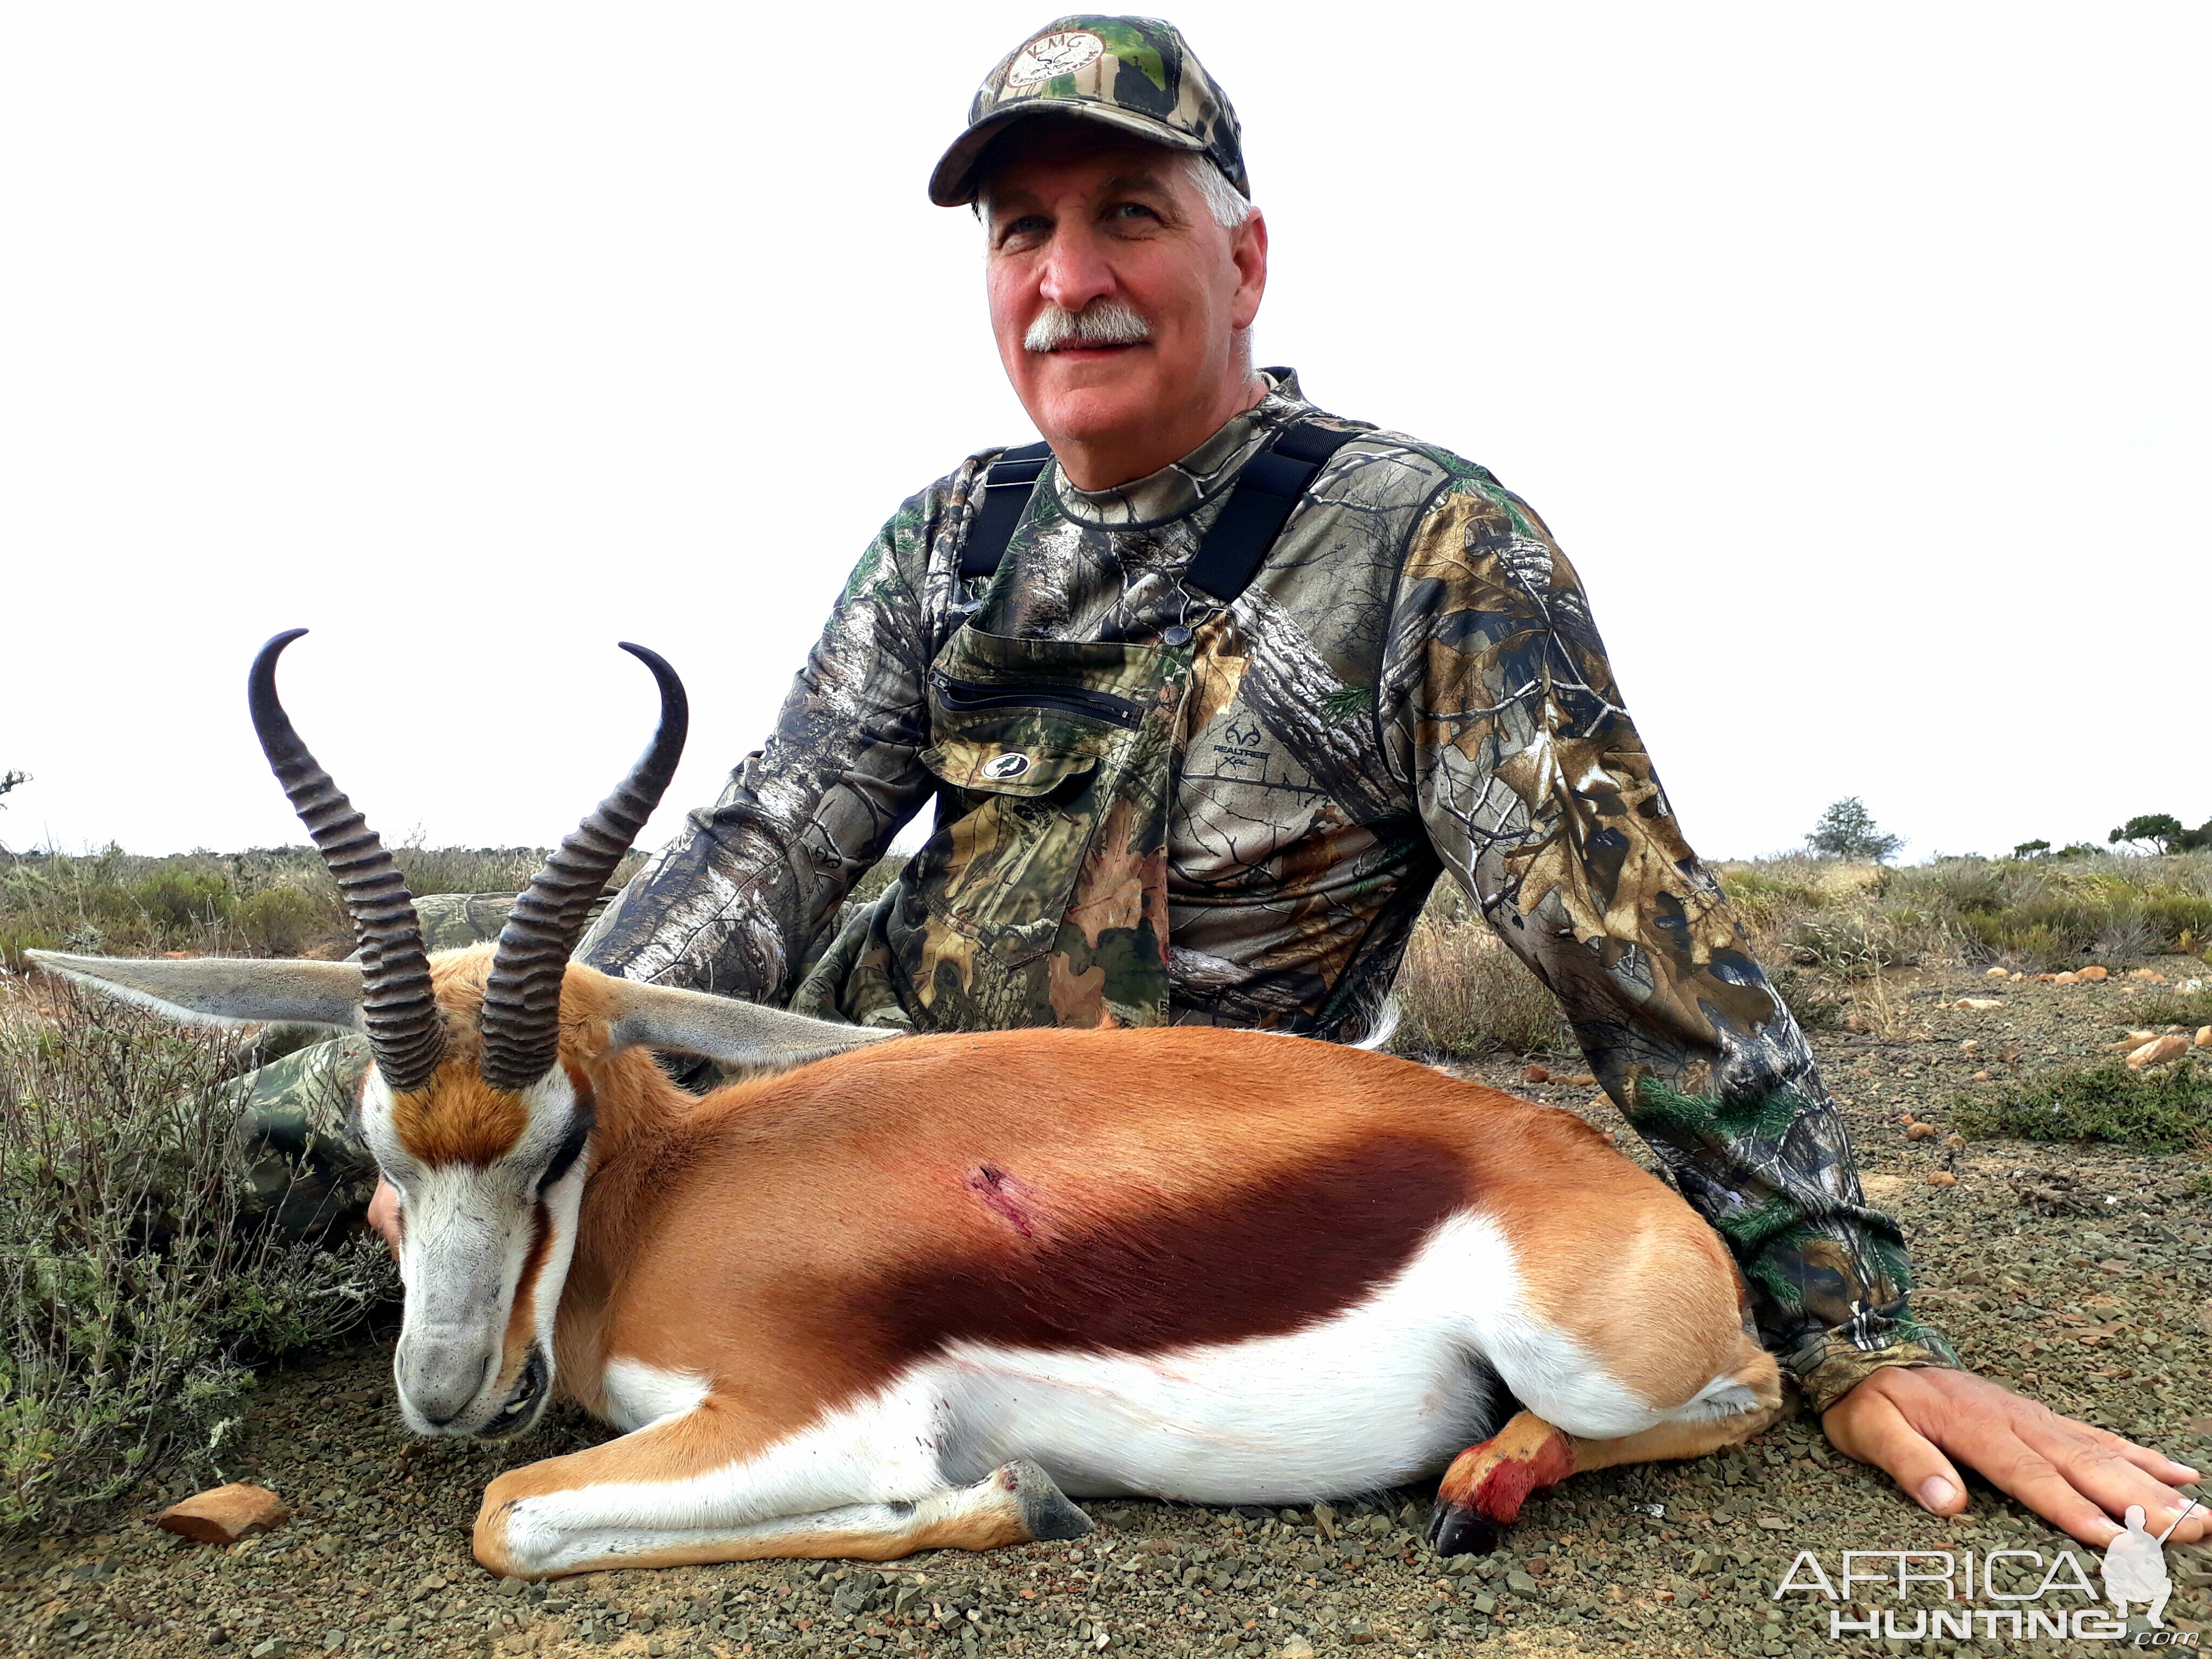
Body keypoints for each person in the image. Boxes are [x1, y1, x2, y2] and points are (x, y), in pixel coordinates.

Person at [239, 14, 2202, 1551]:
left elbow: (1643, 955)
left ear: (1243, 253)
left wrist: (1853, 1326)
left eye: (1127, 216)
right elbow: (773, 843)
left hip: (1160, 1196)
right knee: (265, 1140)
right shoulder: (945, 545)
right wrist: (505, 1083)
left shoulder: (1423, 548)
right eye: (1024, 231)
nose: (1067, 278)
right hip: (850, 1181)